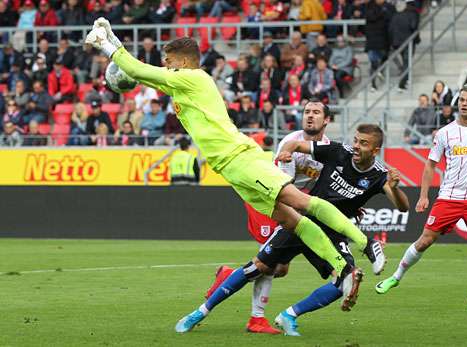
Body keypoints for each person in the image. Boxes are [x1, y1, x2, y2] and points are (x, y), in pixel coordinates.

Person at [85, 22, 385, 315]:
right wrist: (110, 37)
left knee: (301, 203)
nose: (165, 65)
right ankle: (343, 268)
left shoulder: (194, 78)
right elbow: (145, 77)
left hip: (240, 156)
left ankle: (366, 244)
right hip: (229, 168)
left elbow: (139, 70)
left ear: (184, 61)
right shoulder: (180, 87)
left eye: (168, 60)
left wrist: (106, 45)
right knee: (293, 220)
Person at [198, 123, 409, 336]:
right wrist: (286, 152)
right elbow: (296, 144)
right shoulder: (338, 151)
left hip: (332, 232)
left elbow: (403, 206)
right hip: (302, 221)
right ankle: (202, 311)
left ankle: (289, 315)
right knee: (262, 266)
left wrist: (395, 187)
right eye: (356, 140)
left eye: (363, 143)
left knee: (346, 279)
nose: (356, 146)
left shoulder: (380, 175)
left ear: (375, 150)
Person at [376, 84, 467, 312]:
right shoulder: (445, 133)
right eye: (461, 99)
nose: (464, 103)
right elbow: (430, 165)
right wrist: (423, 196)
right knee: (424, 241)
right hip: (448, 198)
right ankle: (396, 276)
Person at [205, 100, 332, 334]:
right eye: (306, 112)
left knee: (280, 268)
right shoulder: (290, 144)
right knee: (268, 262)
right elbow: (285, 188)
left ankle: (228, 276)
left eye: (315, 112)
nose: (309, 116)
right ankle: (257, 319)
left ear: (327, 120)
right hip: (270, 201)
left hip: (292, 204)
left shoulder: (327, 150)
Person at [388, 0, 420, 92]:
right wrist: (416, 39)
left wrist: (392, 41)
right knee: (407, 62)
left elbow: (390, 29)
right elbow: (414, 26)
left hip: (397, 42)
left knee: (406, 61)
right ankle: (402, 83)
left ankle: (405, 80)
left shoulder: (397, 15)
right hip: (408, 42)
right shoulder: (413, 14)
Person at [365, 0, 394, 91]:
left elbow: (391, 20)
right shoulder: (370, 7)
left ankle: (380, 71)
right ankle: (373, 84)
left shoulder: (388, 7)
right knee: (373, 63)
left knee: (384, 57)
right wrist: (382, 13)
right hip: (372, 41)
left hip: (384, 40)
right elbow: (370, 17)